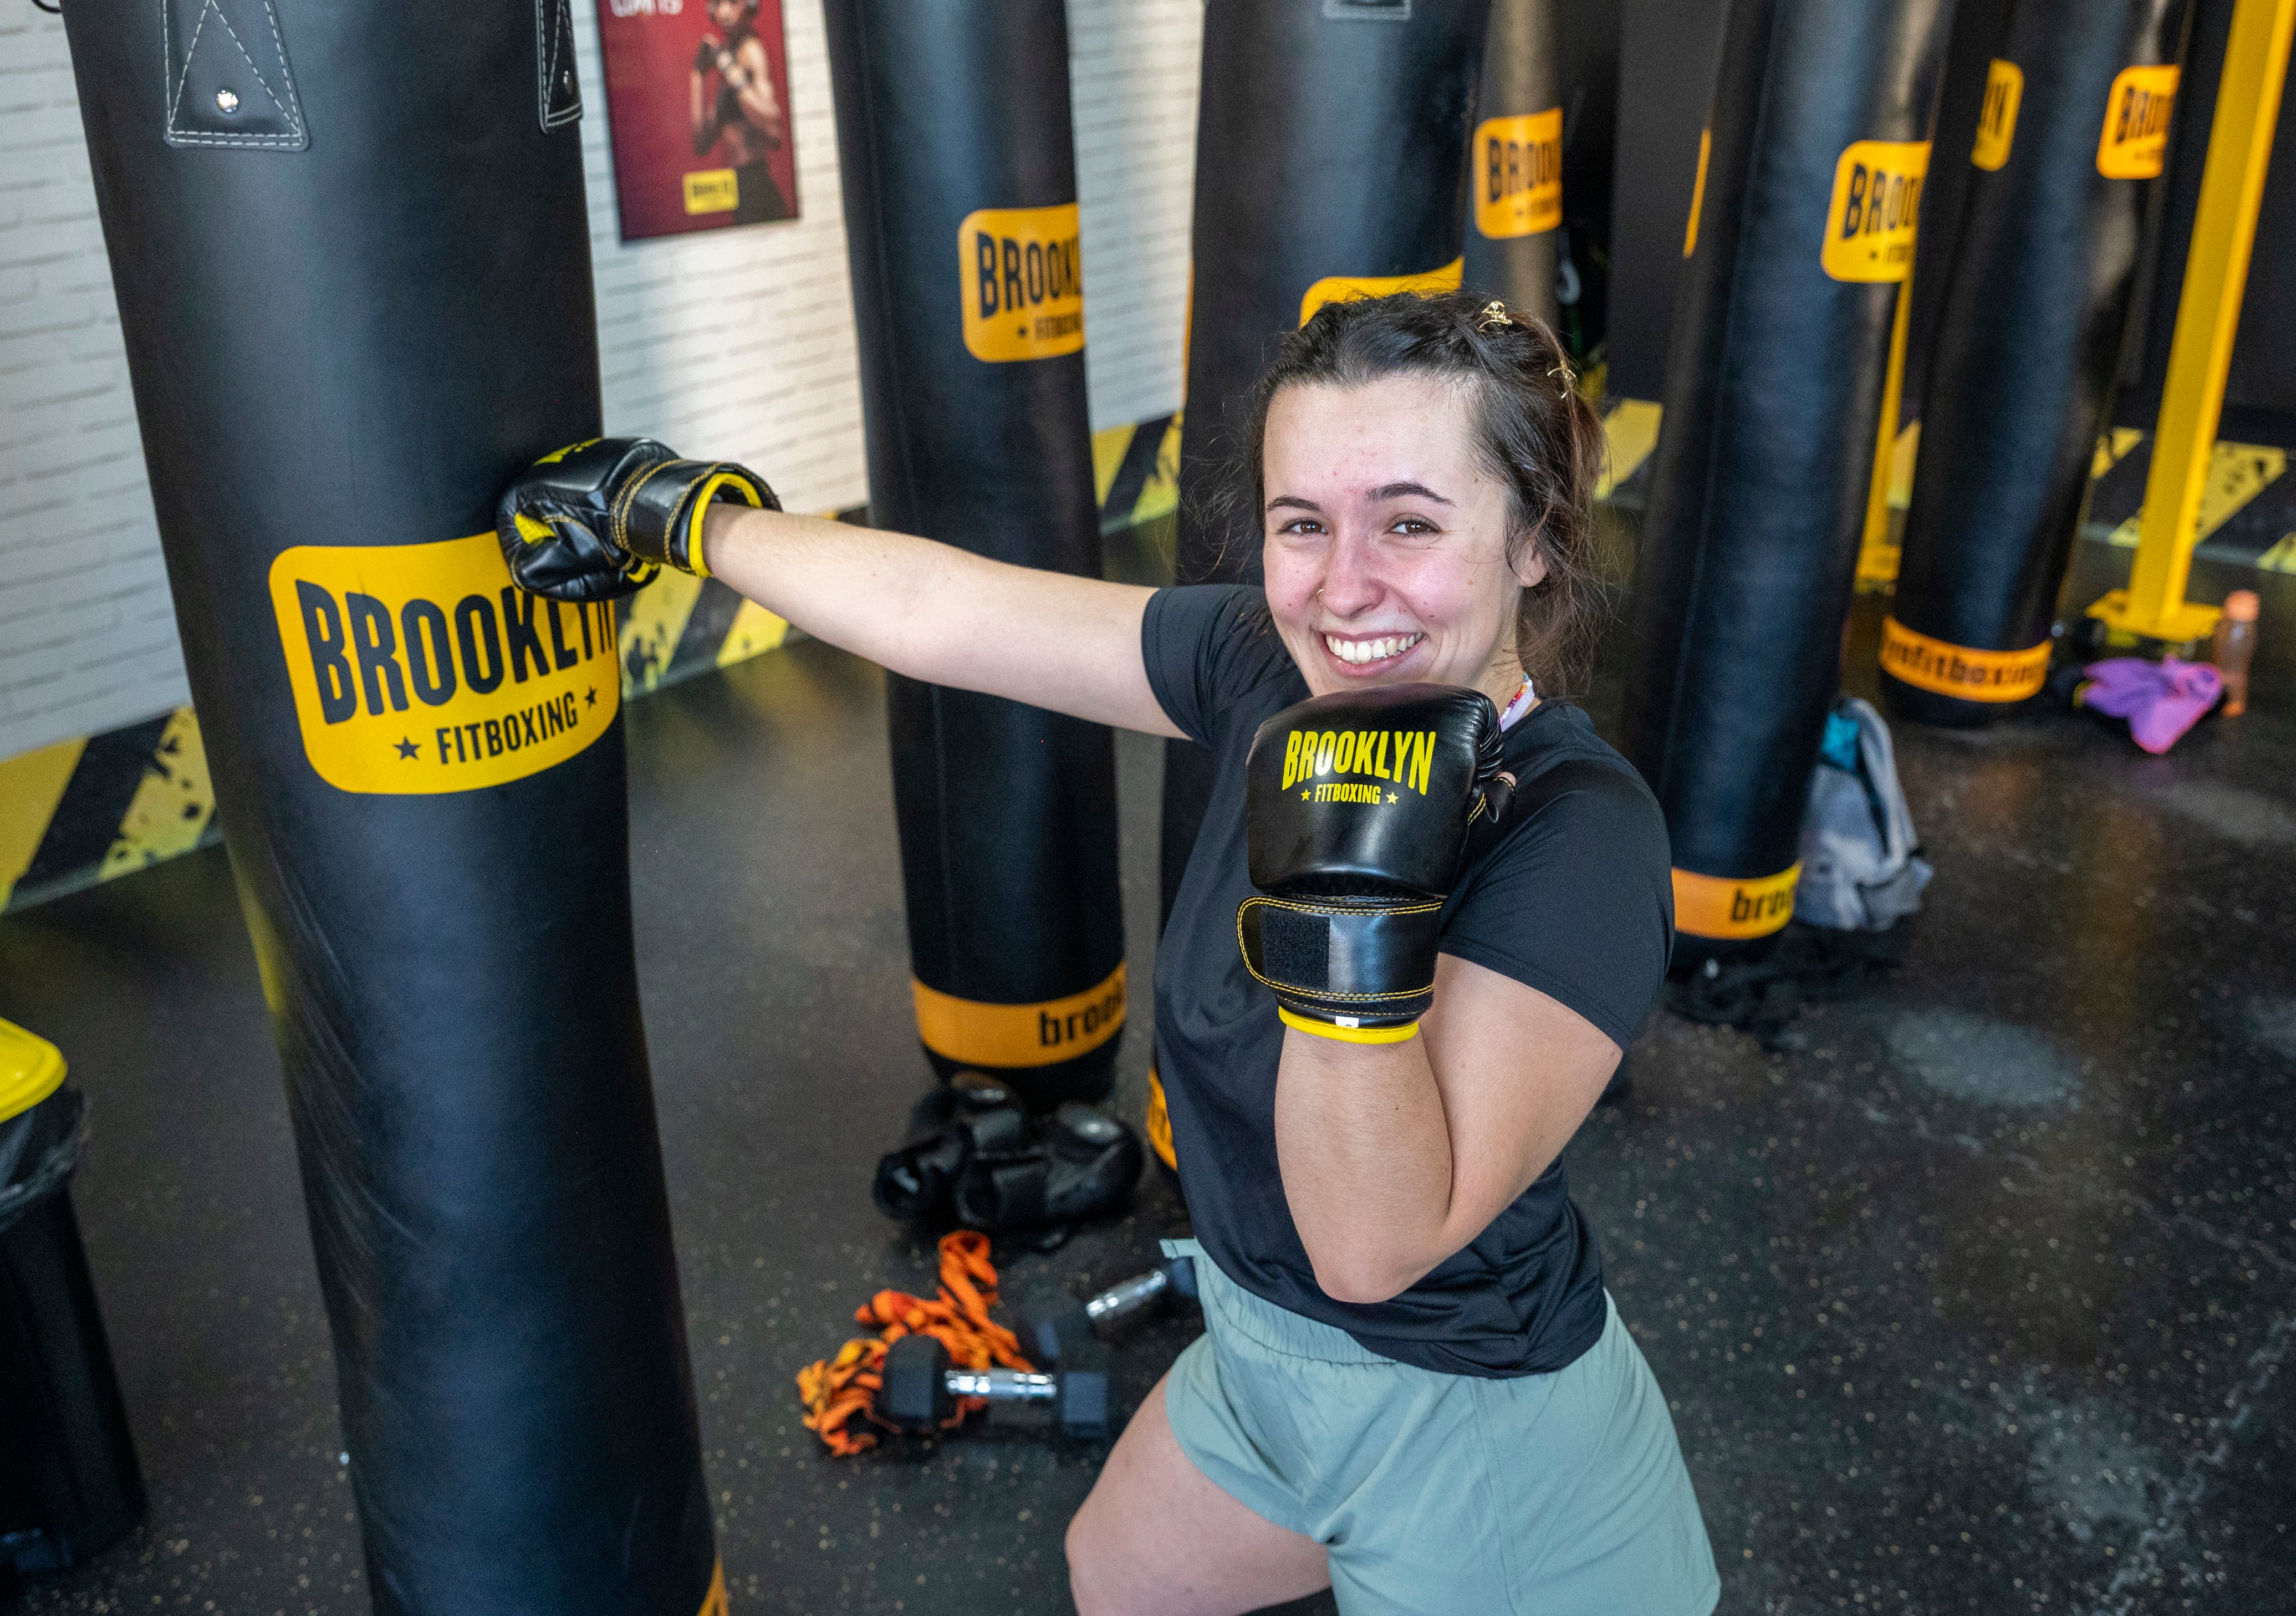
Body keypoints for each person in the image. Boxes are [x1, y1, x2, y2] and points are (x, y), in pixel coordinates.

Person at [495, 291, 1720, 1616]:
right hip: (1257, 1355)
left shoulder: (1578, 836)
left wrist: (1349, 925)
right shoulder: (1270, 665)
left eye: (1411, 522)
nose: (1344, 583)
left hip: (1472, 1428)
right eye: (1300, 523)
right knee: (1120, 1575)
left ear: (1533, 541)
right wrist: (681, 514)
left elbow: (1373, 1249)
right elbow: (947, 614)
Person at [688, 0, 793, 223]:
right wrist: (698, 75)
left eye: (734, 3)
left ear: (749, 5)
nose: (725, 12)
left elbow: (774, 126)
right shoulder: (730, 56)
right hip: (740, 186)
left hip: (756, 184)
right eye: (718, 3)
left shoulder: (751, 50)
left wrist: (728, 67)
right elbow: (701, 143)